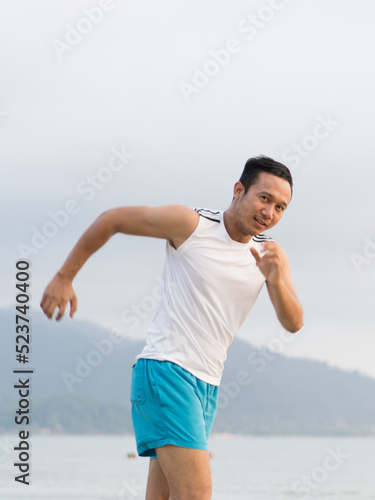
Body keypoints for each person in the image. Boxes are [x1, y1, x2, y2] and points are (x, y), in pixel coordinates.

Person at [39, 155, 304, 500]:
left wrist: (278, 279)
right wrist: (64, 276)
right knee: (196, 494)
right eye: (264, 198)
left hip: (206, 384)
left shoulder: (269, 255)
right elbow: (113, 219)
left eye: (281, 207)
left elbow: (294, 322)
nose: (270, 212)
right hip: (168, 370)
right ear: (239, 190)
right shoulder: (191, 225)